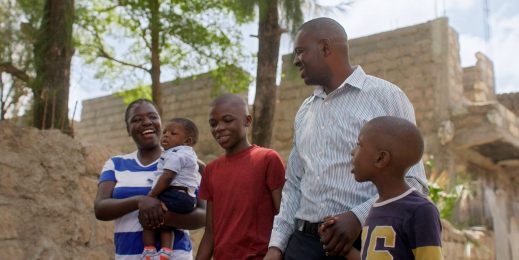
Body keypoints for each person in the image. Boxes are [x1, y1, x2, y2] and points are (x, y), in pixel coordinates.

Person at [265, 17, 429, 259]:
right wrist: (276, 246)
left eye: (300, 51)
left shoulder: (387, 97)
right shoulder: (304, 112)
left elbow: (414, 182)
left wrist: (358, 217)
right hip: (302, 245)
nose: (296, 61)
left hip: (363, 244)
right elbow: (294, 185)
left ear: (325, 47)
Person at [94, 99, 206, 260]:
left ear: (161, 123)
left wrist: (165, 218)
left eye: (153, 117)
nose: (147, 122)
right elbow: (100, 208)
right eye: (137, 119)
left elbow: (203, 215)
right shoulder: (116, 164)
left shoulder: (185, 161)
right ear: (128, 129)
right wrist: (140, 201)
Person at [323, 116, 442, 259]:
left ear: (381, 158)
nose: (352, 152)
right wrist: (344, 250)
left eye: (359, 145)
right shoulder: (377, 208)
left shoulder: (421, 210)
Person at [196, 94, 286, 260]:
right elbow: (210, 232)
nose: (219, 128)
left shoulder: (267, 159)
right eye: (213, 124)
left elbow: (284, 217)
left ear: (247, 120)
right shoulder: (211, 170)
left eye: (227, 120)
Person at [142, 118, 201, 259]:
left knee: (148, 214)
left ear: (187, 141)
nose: (166, 135)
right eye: (165, 132)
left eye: (173, 133)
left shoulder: (177, 154)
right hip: (187, 198)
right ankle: (166, 252)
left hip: (175, 194)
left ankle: (149, 251)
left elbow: (167, 177)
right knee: (166, 225)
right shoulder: (189, 155)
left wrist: (151, 196)